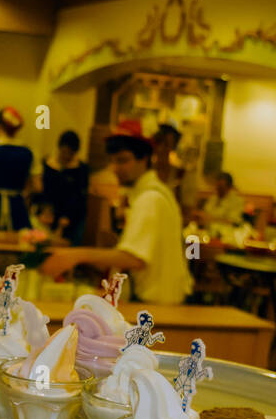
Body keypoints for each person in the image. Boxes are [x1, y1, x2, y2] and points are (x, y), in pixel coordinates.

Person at [40, 130, 193, 304]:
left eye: (123, 160)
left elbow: (134, 258)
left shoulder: (150, 198)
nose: (115, 168)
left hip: (153, 303)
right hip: (156, 299)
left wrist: (75, 255)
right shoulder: (155, 192)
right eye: (112, 161)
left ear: (144, 159)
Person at [41, 129, 90, 243]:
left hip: (73, 215)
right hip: (51, 213)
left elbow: (79, 196)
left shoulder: (81, 169)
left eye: (70, 153)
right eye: (64, 152)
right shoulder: (49, 165)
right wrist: (46, 210)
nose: (66, 156)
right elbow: (45, 190)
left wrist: (67, 217)